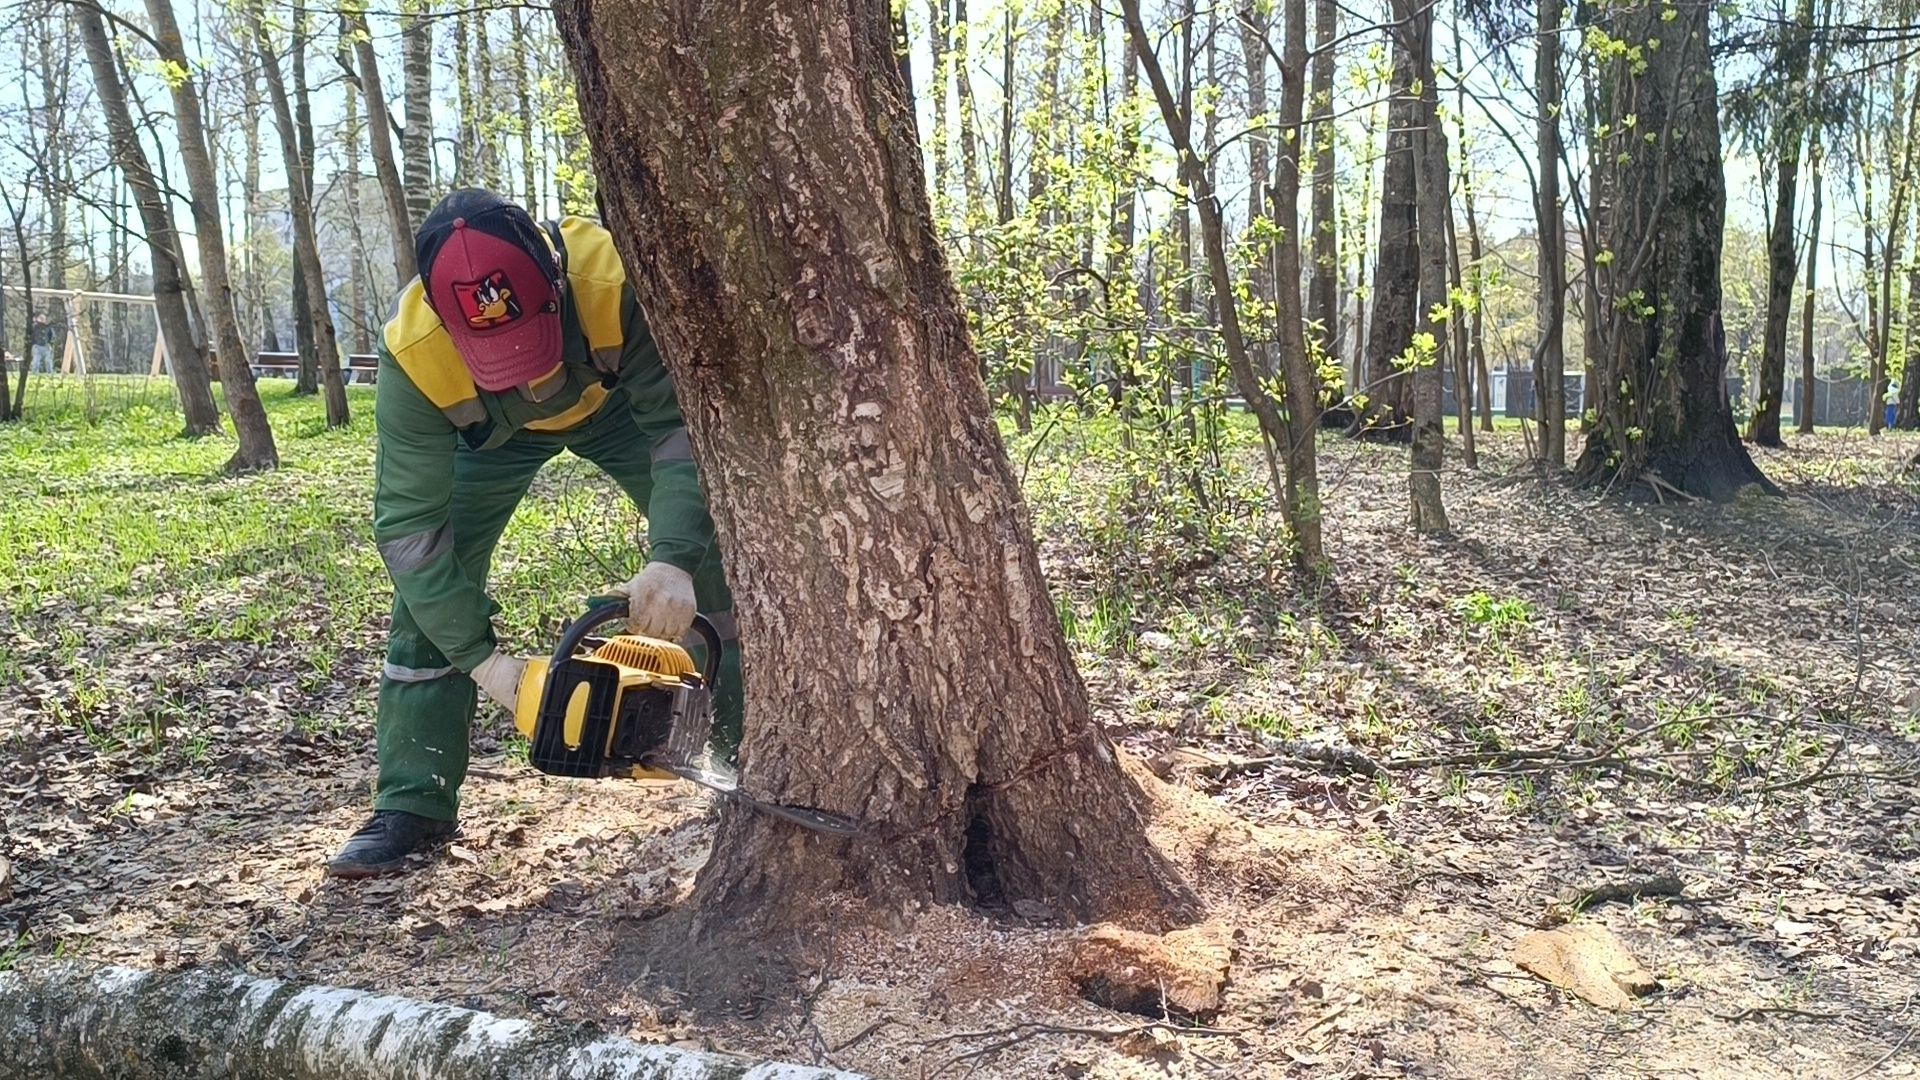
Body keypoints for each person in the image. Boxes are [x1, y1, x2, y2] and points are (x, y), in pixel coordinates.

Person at [327, 189, 741, 878]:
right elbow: (409, 530)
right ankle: (412, 804)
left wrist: (673, 559)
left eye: (532, 339)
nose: (533, 370)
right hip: (487, 441)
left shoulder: (612, 279)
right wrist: (485, 662)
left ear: (553, 276)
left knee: (715, 563)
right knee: (429, 600)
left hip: (616, 412)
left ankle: (740, 762)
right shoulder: (415, 351)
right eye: (500, 352)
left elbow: (679, 433)